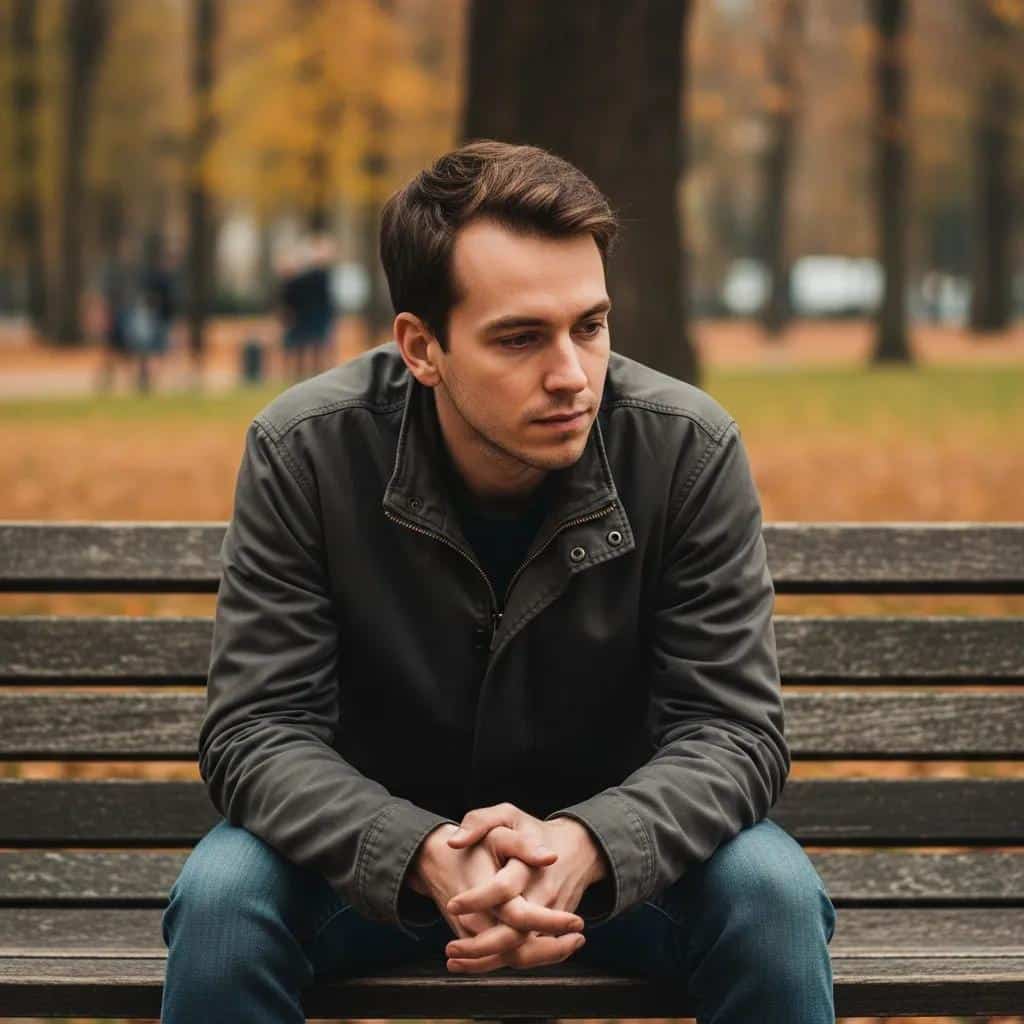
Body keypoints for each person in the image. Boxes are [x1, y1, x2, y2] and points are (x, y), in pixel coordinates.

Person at [160, 140, 836, 1024]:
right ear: (421, 346)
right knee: (222, 905)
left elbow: (734, 731)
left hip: (621, 874)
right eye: (520, 338)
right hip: (368, 873)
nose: (569, 375)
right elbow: (256, 729)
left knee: (772, 895)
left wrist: (588, 842)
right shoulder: (308, 452)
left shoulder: (685, 450)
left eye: (589, 326)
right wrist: (419, 851)